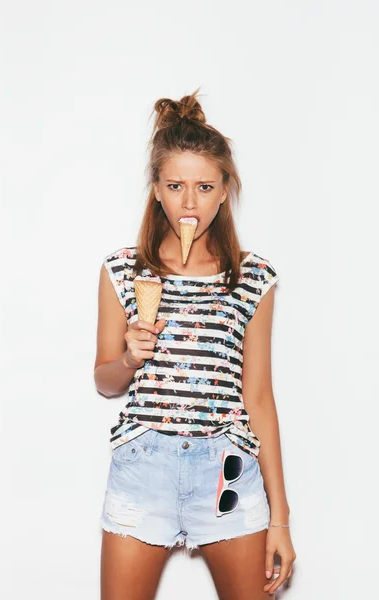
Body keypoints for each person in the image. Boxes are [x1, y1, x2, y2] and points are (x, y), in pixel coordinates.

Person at [94, 87, 296, 599]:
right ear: (156, 190)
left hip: (227, 474)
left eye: (204, 186)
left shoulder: (253, 278)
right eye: (175, 186)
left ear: (225, 189)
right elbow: (104, 380)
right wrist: (128, 356)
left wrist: (281, 518)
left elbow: (258, 398)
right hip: (144, 467)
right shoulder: (122, 270)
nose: (190, 202)